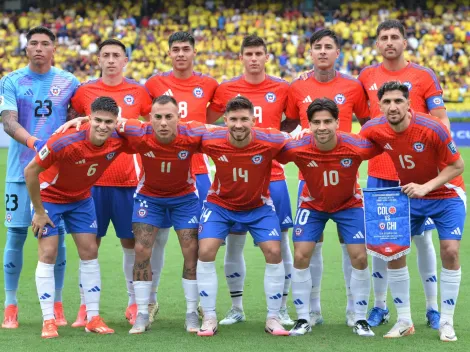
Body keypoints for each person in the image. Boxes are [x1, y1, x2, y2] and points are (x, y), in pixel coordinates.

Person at [358, 20, 450, 329]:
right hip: (380, 174)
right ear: (376, 43)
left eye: (395, 36)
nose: (389, 42)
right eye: (383, 37)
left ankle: (432, 308)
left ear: (405, 41)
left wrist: (433, 167)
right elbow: (365, 123)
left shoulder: (423, 76)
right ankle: (380, 306)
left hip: (417, 175)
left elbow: (441, 121)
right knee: (380, 243)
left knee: (422, 241)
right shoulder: (366, 76)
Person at [360, 81, 465, 341]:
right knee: (394, 252)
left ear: (409, 104)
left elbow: (458, 165)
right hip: (411, 195)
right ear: (379, 106)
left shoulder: (432, 127)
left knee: (450, 251)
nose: (392, 106)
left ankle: (447, 322)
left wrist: (426, 187)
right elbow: (353, 151)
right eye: (386, 102)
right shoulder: (373, 129)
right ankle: (404, 319)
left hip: (447, 193)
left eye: (398, 101)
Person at [24, 96, 131, 338]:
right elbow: (30, 171)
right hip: (50, 197)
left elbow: (143, 132)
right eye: (98, 121)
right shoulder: (65, 140)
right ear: (89, 119)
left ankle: (93, 317)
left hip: (81, 199)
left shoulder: (118, 139)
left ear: (116, 122)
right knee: (48, 253)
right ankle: (48, 320)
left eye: (109, 122)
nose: (103, 127)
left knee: (90, 251)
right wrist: (39, 211)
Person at [206, 34, 294, 326]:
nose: (254, 58)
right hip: (234, 175)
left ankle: (280, 308)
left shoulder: (282, 87)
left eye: (259, 53)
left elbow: (291, 121)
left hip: (274, 177)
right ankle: (236, 307)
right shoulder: (227, 88)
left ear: (267, 56)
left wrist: (271, 141)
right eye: (249, 54)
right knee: (234, 243)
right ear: (241, 57)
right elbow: (210, 119)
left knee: (280, 244)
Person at [285, 28, 370, 327]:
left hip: (346, 179)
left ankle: (355, 313)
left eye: (328, 47)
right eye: (317, 46)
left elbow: (370, 125)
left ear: (338, 53)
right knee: (310, 247)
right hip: (310, 182)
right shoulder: (296, 88)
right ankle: (313, 311)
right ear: (310, 53)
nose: (322, 51)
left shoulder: (353, 86)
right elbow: (285, 125)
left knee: (354, 250)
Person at [277, 98, 381, 337]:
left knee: (360, 257)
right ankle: (303, 317)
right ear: (309, 125)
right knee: (301, 255)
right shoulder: (298, 147)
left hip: (349, 205)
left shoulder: (356, 145)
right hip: (312, 205)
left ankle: (360, 318)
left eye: (327, 122)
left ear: (337, 123)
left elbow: (386, 143)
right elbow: (273, 151)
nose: (321, 127)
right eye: (316, 122)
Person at [69, 38, 153, 327]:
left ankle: (133, 302)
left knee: (130, 243)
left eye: (117, 55)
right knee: (89, 244)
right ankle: (84, 307)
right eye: (105, 54)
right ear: (99, 59)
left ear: (126, 60)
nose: (111, 60)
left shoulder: (139, 92)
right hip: (90, 182)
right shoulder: (84, 92)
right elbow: (74, 125)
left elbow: (149, 129)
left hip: (128, 181)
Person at [0, 26, 79, 328]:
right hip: (20, 173)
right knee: (17, 235)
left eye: (45, 43)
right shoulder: (11, 81)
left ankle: (57, 304)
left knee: (56, 240)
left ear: (54, 49)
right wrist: (35, 142)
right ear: (26, 47)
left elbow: (77, 121)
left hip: (57, 177)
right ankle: (11, 305)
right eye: (33, 43)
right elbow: (8, 122)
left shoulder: (69, 81)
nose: (39, 48)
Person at [197, 96, 289, 337]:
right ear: (225, 120)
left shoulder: (271, 139)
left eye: (244, 119)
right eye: (234, 119)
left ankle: (273, 316)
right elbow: (182, 131)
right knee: (205, 251)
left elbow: (299, 143)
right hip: (220, 204)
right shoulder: (211, 138)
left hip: (258, 205)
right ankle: (209, 316)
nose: (239, 124)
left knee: (274, 251)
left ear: (254, 120)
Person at [115, 95, 205, 334]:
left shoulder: (193, 133)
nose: (163, 122)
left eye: (169, 117)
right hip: (149, 198)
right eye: (158, 117)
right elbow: (109, 121)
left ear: (179, 118)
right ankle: (142, 312)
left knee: (191, 250)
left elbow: (225, 130)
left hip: (185, 198)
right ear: (149, 119)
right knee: (142, 250)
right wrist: (81, 119)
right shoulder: (137, 131)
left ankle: (191, 312)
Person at [144, 32, 219, 311]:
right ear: (169, 53)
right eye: (175, 49)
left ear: (194, 52)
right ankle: (150, 300)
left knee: (197, 241)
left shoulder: (209, 84)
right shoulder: (154, 83)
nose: (180, 54)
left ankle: (200, 301)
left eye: (186, 49)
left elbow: (209, 122)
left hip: (198, 172)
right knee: (157, 238)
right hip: (162, 172)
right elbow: (144, 116)